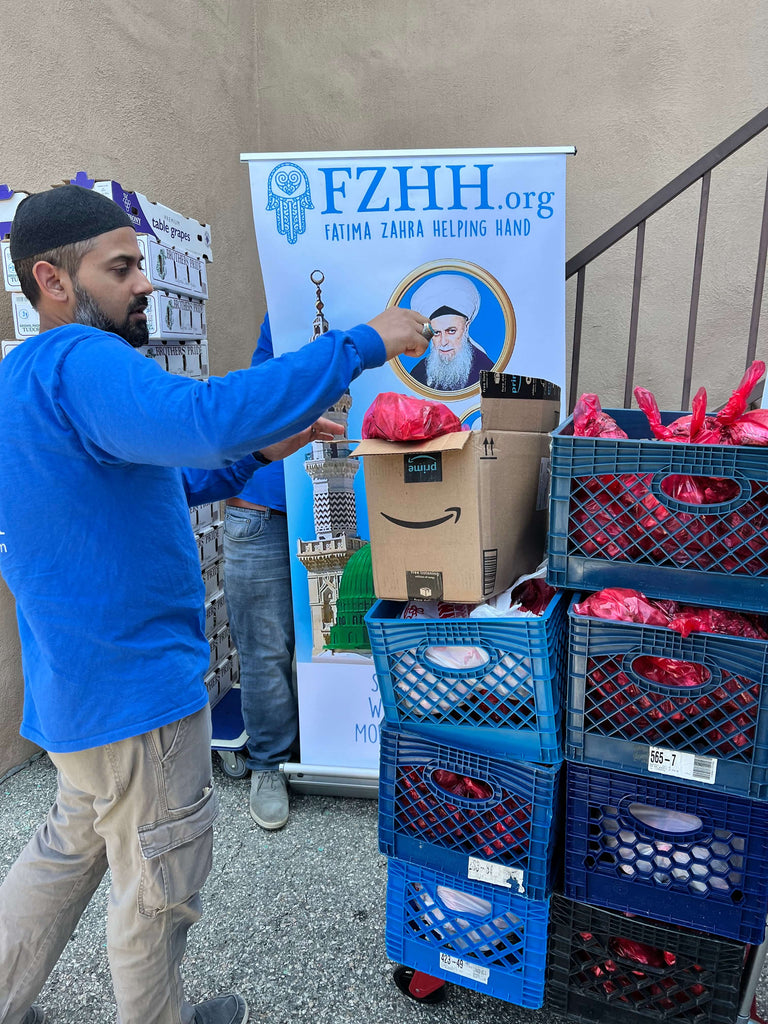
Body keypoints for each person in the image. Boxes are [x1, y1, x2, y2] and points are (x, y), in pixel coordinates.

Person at [0, 184, 429, 1024]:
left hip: (78, 691)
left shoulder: (20, 378)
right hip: (137, 695)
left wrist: (258, 455)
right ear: (52, 280)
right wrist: (362, 343)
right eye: (121, 268)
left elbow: (156, 481)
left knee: (66, 850)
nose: (145, 284)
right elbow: (205, 418)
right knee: (159, 886)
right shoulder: (85, 360)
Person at [223, 315, 297, 831]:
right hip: (265, 507)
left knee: (348, 636)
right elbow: (268, 392)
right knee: (265, 647)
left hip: (355, 497)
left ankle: (349, 744)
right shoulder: (290, 304)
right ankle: (268, 763)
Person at [408, 273, 493, 391]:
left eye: (451, 331)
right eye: (436, 333)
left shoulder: (488, 371)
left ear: (466, 327)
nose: (443, 342)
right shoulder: (418, 373)